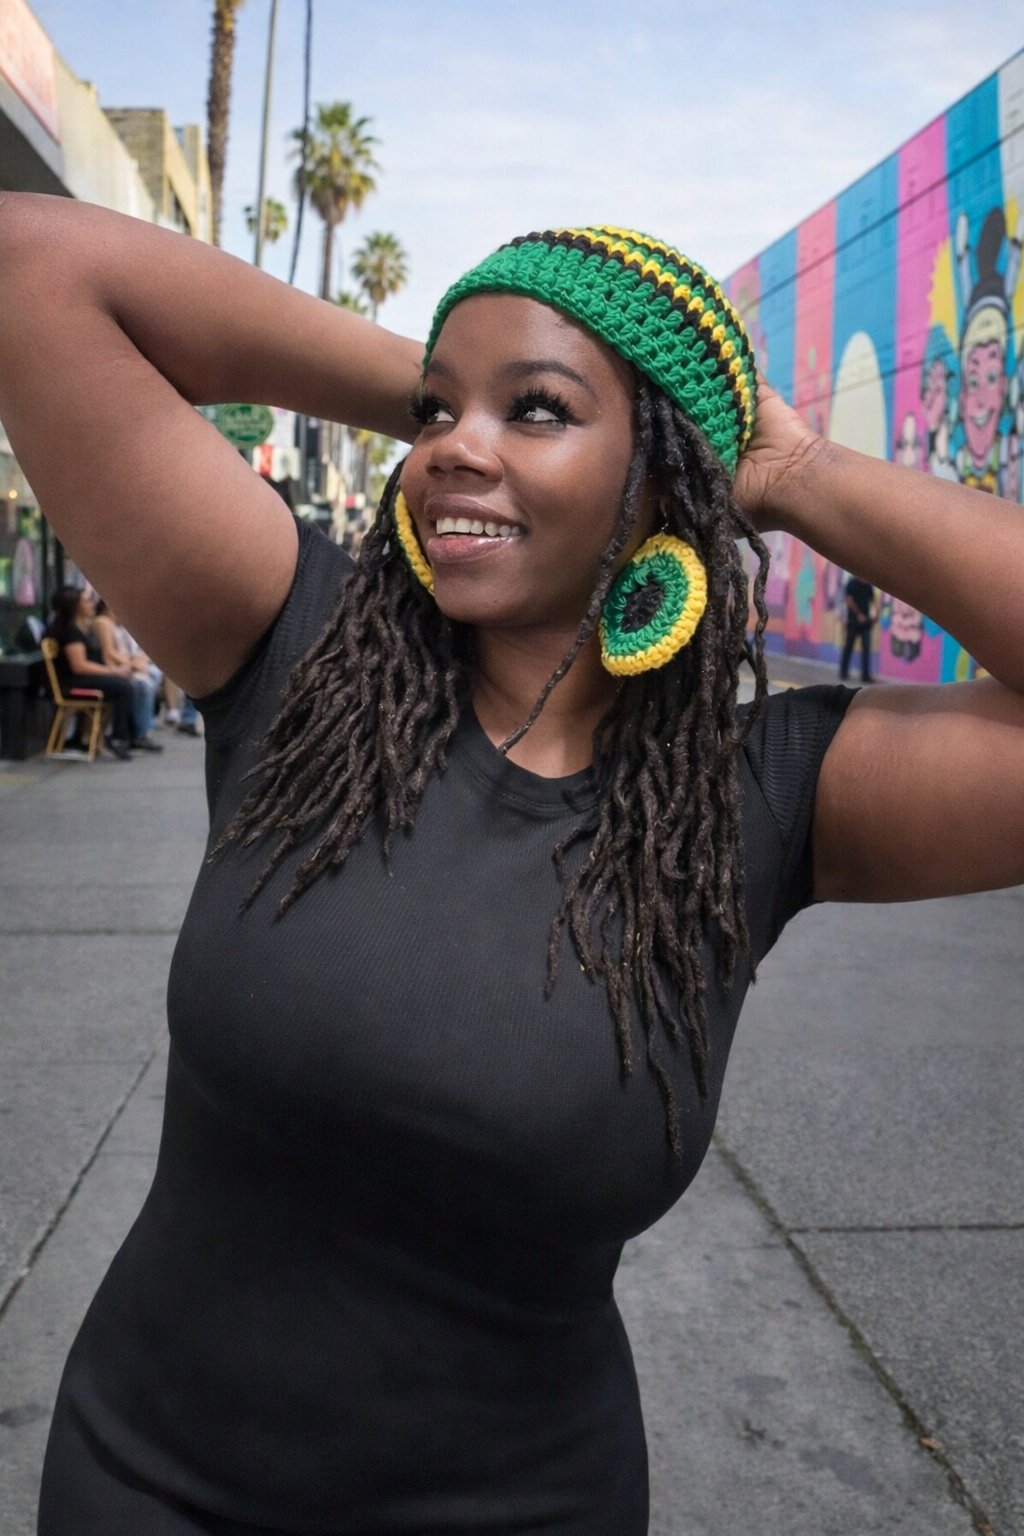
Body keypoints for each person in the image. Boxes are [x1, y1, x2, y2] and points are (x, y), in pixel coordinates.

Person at [0, 199, 1021, 1536]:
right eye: (436, 415)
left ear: (658, 472)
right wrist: (471, 386)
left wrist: (787, 465)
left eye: (539, 410)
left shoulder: (762, 795)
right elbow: (32, 264)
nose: (452, 450)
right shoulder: (298, 656)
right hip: (148, 1487)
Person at [43, 585, 136, 760]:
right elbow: (80, 666)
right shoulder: (71, 632)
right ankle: (119, 738)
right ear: (75, 607)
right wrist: (113, 671)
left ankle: (98, 736)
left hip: (80, 679)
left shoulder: (79, 628)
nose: (91, 605)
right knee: (124, 688)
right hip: (73, 682)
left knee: (125, 685)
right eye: (86, 601)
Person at [92, 598, 164, 750]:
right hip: (114, 667)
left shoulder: (119, 623)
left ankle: (141, 728)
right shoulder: (103, 622)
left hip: (124, 664)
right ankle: (139, 732)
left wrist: (136, 661)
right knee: (143, 685)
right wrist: (131, 663)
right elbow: (109, 652)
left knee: (152, 676)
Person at [839, 571, 876, 682]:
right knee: (848, 647)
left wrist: (875, 614)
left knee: (866, 648)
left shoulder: (868, 586)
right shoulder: (851, 584)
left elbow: (873, 600)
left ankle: (865, 675)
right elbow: (849, 600)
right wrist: (858, 614)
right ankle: (843, 672)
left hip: (865, 623)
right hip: (853, 621)